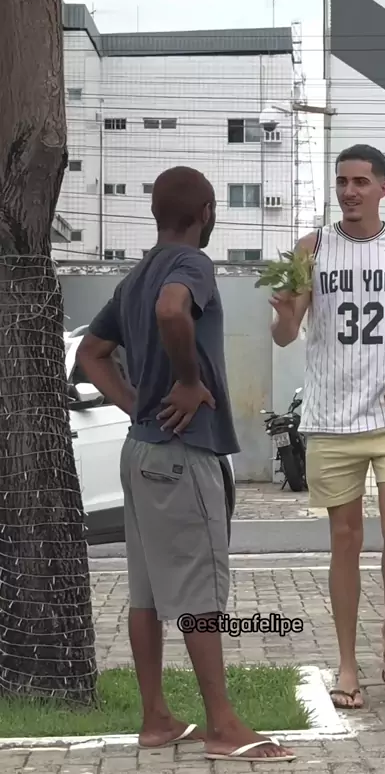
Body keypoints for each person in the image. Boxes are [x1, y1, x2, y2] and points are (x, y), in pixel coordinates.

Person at [77, 167, 294, 762]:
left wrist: (137, 406)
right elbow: (174, 312)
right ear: (205, 212)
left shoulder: (136, 275)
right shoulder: (190, 264)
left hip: (141, 451)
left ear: (155, 214)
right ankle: (223, 726)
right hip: (181, 453)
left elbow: (93, 353)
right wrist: (190, 381)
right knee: (199, 594)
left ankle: (156, 719)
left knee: (146, 594)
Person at [270, 145, 385, 710]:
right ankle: (347, 664)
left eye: (360, 182)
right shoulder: (311, 248)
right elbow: (285, 335)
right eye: (342, 181)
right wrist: (283, 314)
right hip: (331, 418)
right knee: (344, 539)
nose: (349, 191)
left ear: (383, 188)